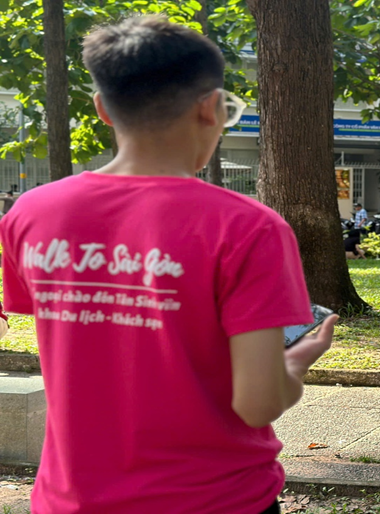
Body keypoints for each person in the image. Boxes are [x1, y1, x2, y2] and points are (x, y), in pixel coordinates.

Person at [0, 17, 337, 514]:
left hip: (68, 499)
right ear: (211, 109)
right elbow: (258, 403)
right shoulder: (249, 228)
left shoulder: (30, 213)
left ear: (102, 110)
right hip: (215, 499)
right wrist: (293, 362)